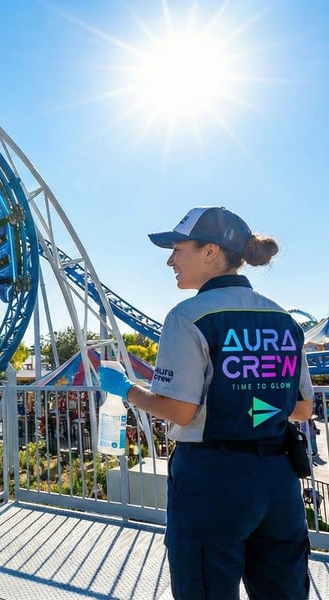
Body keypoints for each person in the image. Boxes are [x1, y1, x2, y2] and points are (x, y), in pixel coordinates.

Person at [98, 206, 314, 599]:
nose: (170, 260)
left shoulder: (189, 316)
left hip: (213, 480)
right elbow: (302, 409)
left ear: (210, 251)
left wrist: (126, 388)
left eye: (178, 249)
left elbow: (181, 410)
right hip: (279, 480)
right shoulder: (284, 319)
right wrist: (255, 407)